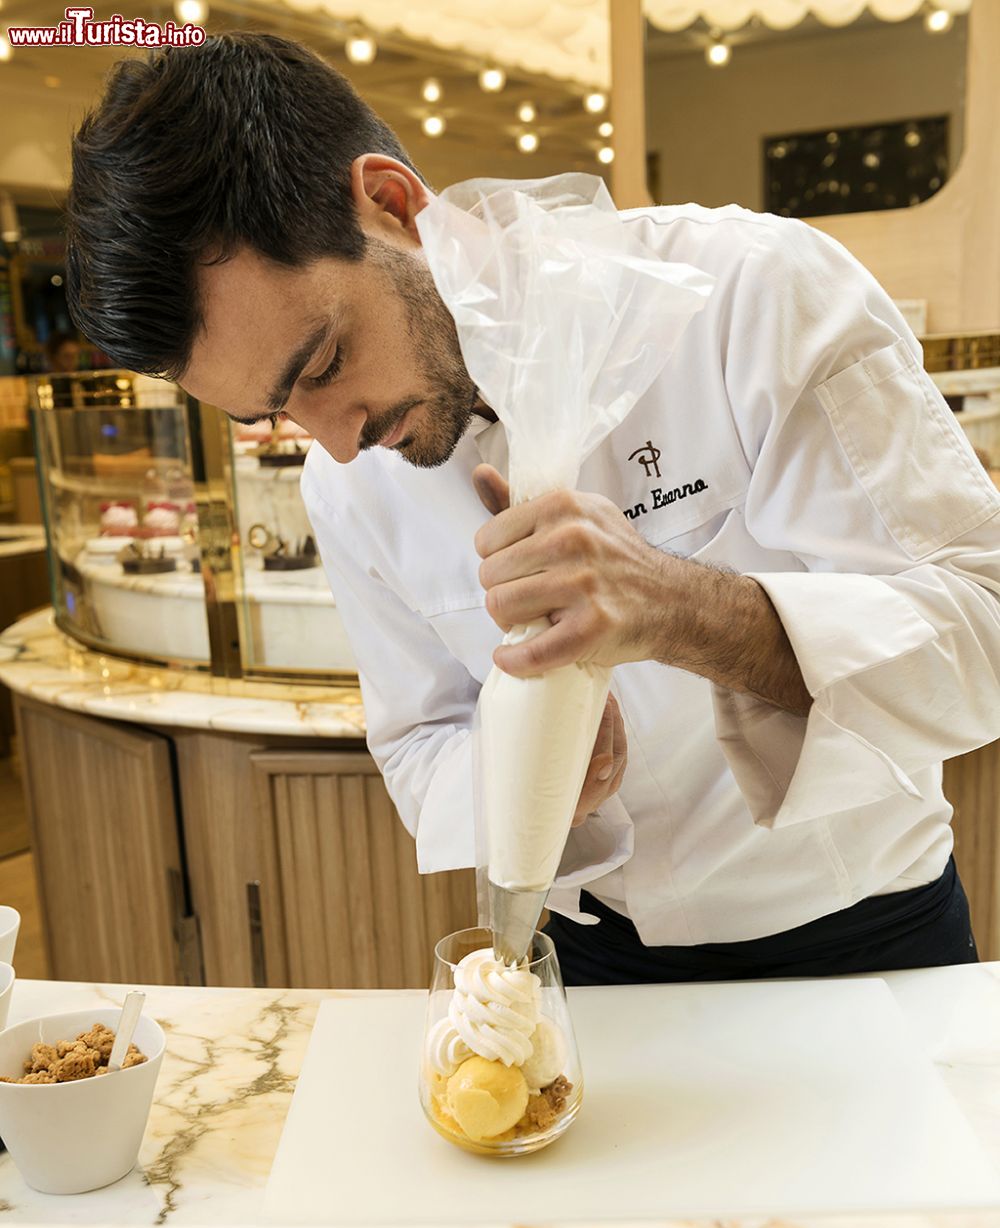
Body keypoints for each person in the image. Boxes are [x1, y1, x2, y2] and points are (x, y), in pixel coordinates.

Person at [65, 34, 1000, 983]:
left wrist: (681, 607)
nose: (337, 442)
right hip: (585, 962)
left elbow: (984, 632)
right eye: (273, 411)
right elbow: (418, 739)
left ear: (393, 205)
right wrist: (532, 776)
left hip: (866, 940)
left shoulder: (753, 292)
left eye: (323, 364)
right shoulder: (342, 481)